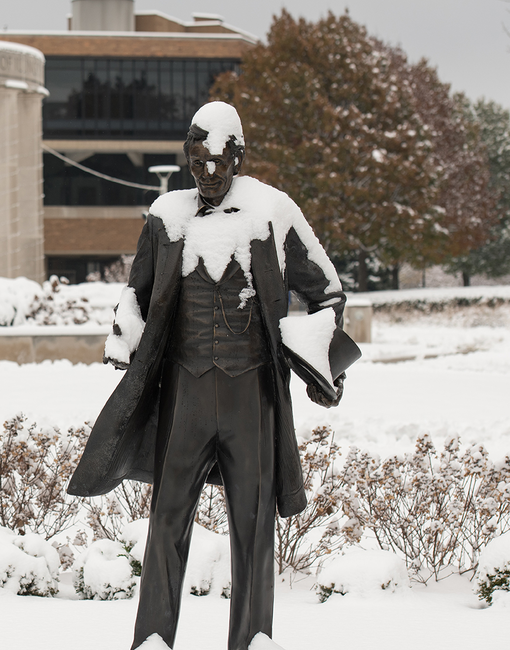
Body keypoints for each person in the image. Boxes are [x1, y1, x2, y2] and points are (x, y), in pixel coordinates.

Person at [67, 101, 347, 650]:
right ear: (188, 161)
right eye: (199, 165)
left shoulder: (274, 211)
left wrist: (319, 360)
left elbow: (328, 293)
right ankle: (152, 641)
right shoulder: (165, 217)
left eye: (220, 163)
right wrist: (125, 332)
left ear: (238, 155)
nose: (211, 174)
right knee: (166, 521)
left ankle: (253, 641)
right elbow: (136, 294)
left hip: (253, 397)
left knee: (253, 528)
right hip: (183, 395)